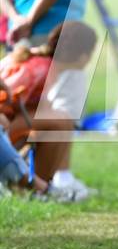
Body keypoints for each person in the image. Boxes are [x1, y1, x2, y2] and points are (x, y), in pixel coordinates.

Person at [1, 21, 97, 190]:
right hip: (3, 124)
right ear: (83, 56)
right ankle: (40, 189)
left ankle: (39, 184)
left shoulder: (47, 66)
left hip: (10, 121)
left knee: (59, 121)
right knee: (60, 122)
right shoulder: (40, 68)